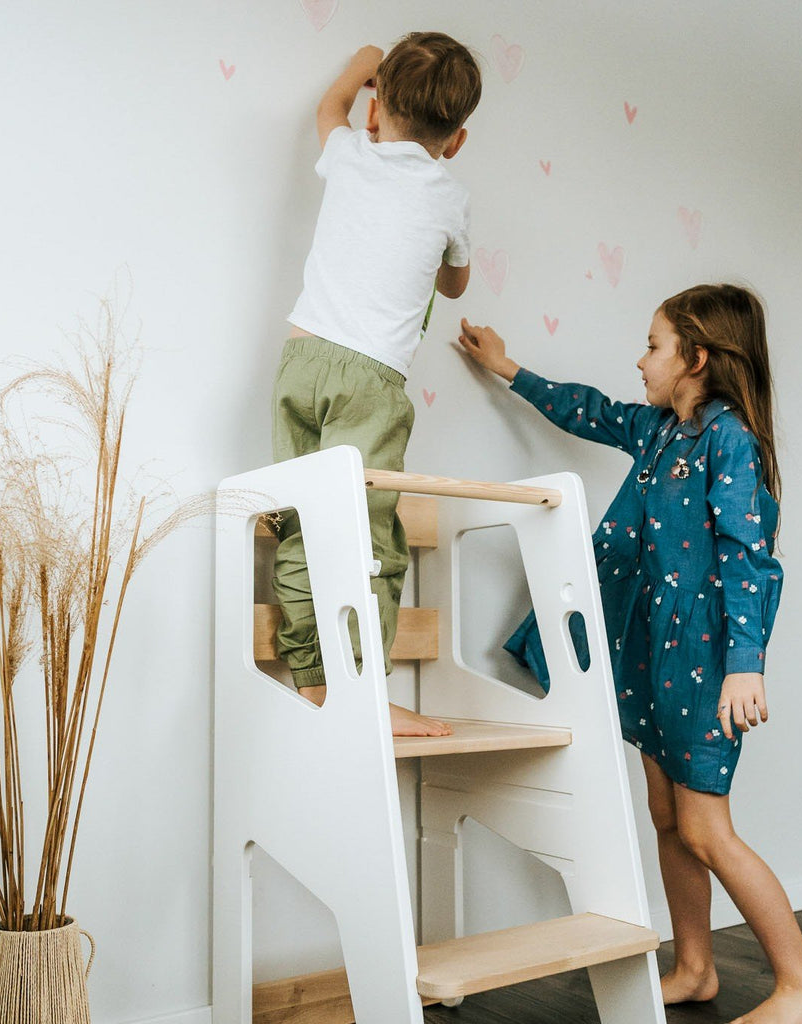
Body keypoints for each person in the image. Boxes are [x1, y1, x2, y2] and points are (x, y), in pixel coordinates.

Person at [457, 285, 802, 1024]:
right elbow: (590, 410)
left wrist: (746, 661)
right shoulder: (661, 430)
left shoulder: (729, 439)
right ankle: (695, 967)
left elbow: (748, 556)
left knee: (705, 828)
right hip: (653, 653)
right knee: (665, 815)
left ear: (697, 358)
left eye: (654, 346)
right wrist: (509, 369)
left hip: (707, 657)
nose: (641, 359)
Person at [272, 33, 481, 737]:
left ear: (376, 110)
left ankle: (312, 681)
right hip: (369, 379)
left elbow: (328, 105)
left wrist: (363, 63)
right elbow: (454, 284)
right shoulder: (449, 195)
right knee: (371, 538)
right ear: (455, 141)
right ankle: (362, 690)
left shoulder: (351, 154)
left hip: (300, 362)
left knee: (301, 519)